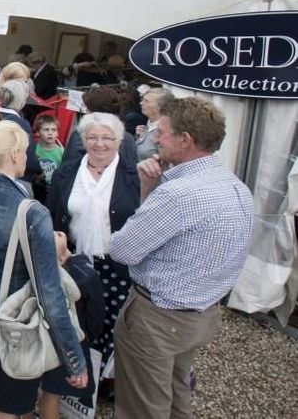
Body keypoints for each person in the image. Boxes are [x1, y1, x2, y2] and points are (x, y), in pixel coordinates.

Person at [109, 98, 253, 419]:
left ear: (185, 139)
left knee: (143, 408)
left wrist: (149, 190)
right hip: (201, 314)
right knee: (177, 395)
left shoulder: (179, 194)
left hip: (159, 318)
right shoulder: (237, 187)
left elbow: (122, 249)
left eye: (162, 132)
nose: (156, 138)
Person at [0, 120, 87, 419]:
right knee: (7, 401)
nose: (27, 157)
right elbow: (50, 294)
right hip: (11, 318)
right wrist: (73, 357)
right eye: (24, 151)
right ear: (13, 156)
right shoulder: (33, 212)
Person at [46, 112, 139, 376]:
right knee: (75, 317)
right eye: (92, 137)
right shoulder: (67, 171)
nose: (99, 144)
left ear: (119, 141)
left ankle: (104, 378)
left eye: (107, 138)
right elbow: (52, 214)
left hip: (116, 266)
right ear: (83, 140)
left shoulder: (133, 175)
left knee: (113, 321)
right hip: (74, 260)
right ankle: (75, 371)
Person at [38, 232, 104, 419]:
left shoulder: (39, 274)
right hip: (71, 341)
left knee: (37, 389)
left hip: (45, 339)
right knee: (52, 393)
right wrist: (88, 337)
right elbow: (96, 314)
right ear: (57, 259)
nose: (52, 232)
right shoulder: (86, 276)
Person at [0, 82, 41, 181]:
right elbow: (30, 161)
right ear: (22, 102)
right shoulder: (21, 123)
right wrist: (39, 170)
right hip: (16, 179)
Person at [135, 87, 175, 161]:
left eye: (146, 101)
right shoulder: (147, 126)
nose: (141, 103)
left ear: (160, 106)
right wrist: (138, 137)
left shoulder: (167, 132)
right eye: (142, 100)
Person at [33, 113, 64, 190]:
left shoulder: (62, 152)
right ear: (37, 132)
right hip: (37, 188)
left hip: (54, 189)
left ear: (57, 133)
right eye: (46, 129)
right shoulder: (34, 150)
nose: (50, 133)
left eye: (53, 130)